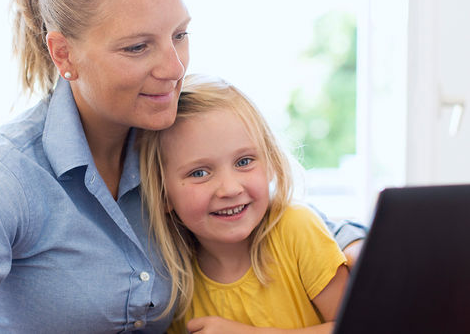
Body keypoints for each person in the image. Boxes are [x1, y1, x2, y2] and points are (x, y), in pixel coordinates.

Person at [0, 0, 365, 333]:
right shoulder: (7, 175)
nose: (173, 68)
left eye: (180, 34)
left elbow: (274, 209)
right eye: (137, 46)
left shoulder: (171, 135)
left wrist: (353, 241)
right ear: (64, 53)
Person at [137, 74, 350, 334]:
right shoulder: (173, 286)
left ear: (270, 162)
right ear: (163, 195)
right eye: (200, 173)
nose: (230, 189)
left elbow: (368, 327)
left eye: (244, 162)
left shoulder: (298, 229)